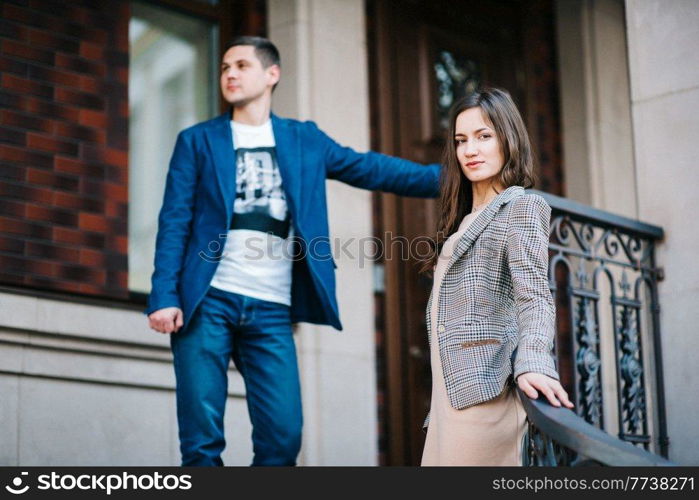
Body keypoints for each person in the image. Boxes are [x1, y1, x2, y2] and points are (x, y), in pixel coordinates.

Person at [146, 36, 440, 466]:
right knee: (201, 443)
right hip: (207, 302)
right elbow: (174, 221)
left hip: (271, 309)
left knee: (283, 438)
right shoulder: (198, 141)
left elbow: (371, 168)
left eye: (242, 65)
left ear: (271, 75)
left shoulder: (303, 139)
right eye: (225, 66)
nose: (229, 73)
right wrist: (165, 295)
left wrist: (450, 177)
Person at [420, 87, 573, 466]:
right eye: (461, 140)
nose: (470, 150)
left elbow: (535, 296)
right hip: (446, 400)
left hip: (483, 403)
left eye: (484, 136)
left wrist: (534, 360)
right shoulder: (461, 222)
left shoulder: (521, 205)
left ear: (508, 139)